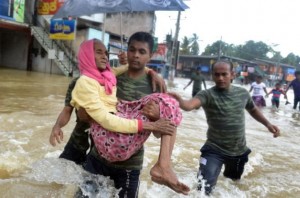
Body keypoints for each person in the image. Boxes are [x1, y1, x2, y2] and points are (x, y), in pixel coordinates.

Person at [51, 33, 189, 196]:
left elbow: (160, 133)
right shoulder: (107, 77)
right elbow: (84, 117)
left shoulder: (155, 85)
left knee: (170, 103)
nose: (136, 55)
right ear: (126, 51)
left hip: (130, 163)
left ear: (150, 55)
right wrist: (74, 118)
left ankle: (164, 166)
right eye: (132, 50)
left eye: (142, 52)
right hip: (98, 156)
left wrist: (156, 117)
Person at [169, 60, 280, 195]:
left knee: (232, 185)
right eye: (217, 75)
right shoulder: (207, 95)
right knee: (203, 189)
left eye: (224, 74)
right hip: (214, 150)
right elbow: (189, 105)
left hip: (238, 151)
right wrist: (180, 101)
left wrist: (268, 124)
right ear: (212, 76)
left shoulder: (242, 94)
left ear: (232, 74)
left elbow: (253, 110)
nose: (220, 78)